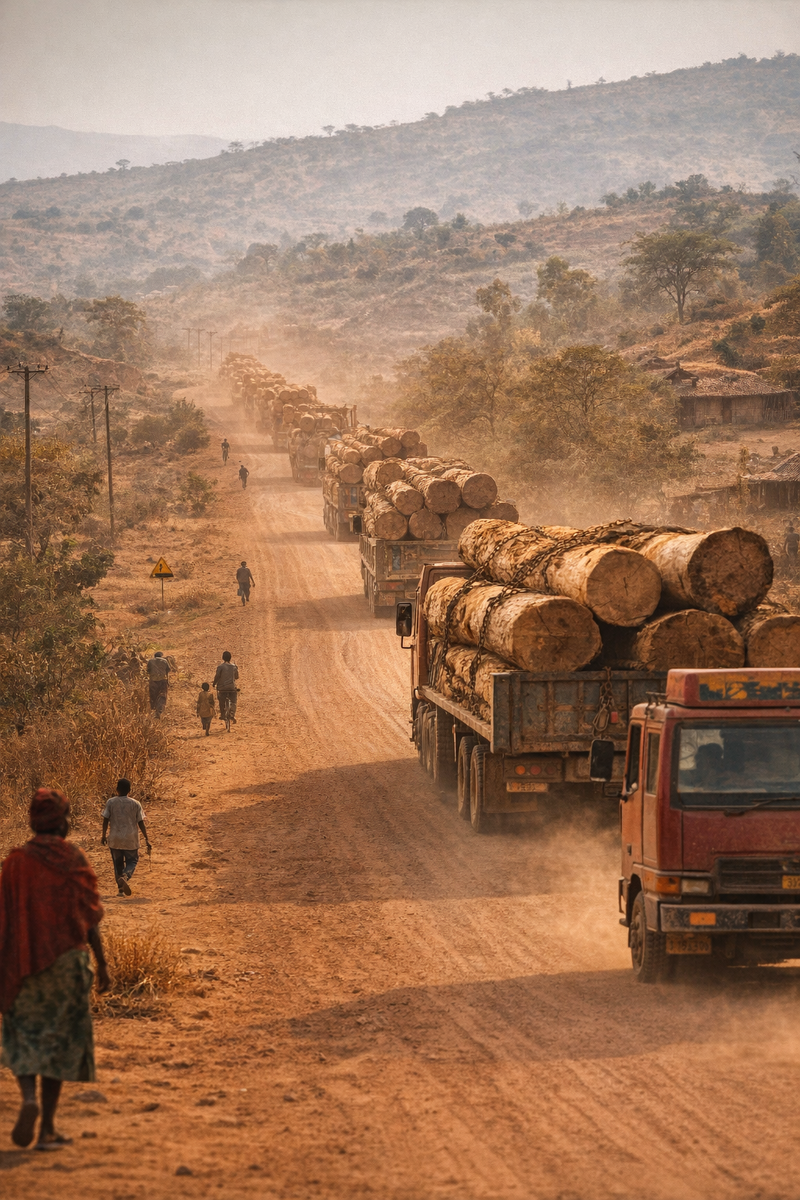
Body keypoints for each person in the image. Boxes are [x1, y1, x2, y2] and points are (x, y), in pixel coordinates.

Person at [0, 787, 109, 1150]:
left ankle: (27, 1097)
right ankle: (47, 1128)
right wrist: (104, 965)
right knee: (60, 1040)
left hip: (23, 963)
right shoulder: (73, 858)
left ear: (34, 820)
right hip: (65, 963)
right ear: (62, 821)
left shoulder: (13, 863)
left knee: (26, 1034)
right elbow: (89, 917)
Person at [101, 779, 150, 897]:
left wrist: (103, 835)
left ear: (117, 789)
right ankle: (126, 876)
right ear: (130, 790)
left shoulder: (111, 802)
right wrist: (146, 838)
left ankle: (120, 890)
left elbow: (105, 819)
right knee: (132, 860)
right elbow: (140, 822)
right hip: (130, 838)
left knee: (117, 863)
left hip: (115, 837)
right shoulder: (135, 803)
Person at [213, 650, 239, 724]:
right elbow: (237, 677)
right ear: (230, 658)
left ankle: (223, 714)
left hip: (222, 688)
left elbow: (217, 676)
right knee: (234, 701)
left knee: (221, 701)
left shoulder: (220, 667)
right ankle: (232, 714)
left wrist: (214, 683)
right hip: (232, 688)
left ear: (223, 658)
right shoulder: (234, 667)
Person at [146, 650, 169, 716]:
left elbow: (148, 671)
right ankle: (160, 710)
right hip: (162, 680)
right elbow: (167, 671)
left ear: (155, 656)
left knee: (153, 695)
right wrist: (168, 681)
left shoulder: (150, 661)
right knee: (162, 695)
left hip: (153, 680)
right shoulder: (165, 661)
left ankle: (153, 709)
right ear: (161, 656)